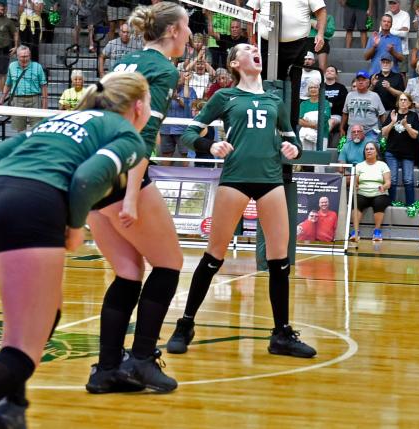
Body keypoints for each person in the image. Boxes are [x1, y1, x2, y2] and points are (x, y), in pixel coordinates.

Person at [0, 71, 151, 429]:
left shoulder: (60, 118)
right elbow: (85, 178)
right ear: (139, 106)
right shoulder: (126, 133)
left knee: (47, 314)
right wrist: (75, 225)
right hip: (30, 209)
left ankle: (11, 405)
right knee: (21, 352)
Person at [165, 43, 315, 359]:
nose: (255, 51)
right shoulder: (225, 97)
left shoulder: (275, 99)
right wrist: (210, 146)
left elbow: (293, 140)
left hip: (271, 180)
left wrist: (294, 150)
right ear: (235, 62)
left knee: (280, 262)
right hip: (234, 178)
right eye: (248, 49)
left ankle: (281, 334)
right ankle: (185, 323)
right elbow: (189, 135)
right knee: (214, 256)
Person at [85, 1, 191, 396]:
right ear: (172, 32)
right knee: (169, 264)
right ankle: (143, 360)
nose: (190, 35)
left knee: (129, 272)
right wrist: (131, 196)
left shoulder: (125, 62)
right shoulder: (163, 70)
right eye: (187, 27)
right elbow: (141, 138)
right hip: (120, 173)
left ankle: (107, 370)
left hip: (91, 172)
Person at [245, 0, 326, 123]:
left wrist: (320, 34)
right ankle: (262, 123)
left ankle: (290, 129)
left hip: (297, 46)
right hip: (267, 44)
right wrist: (251, 39)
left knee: (292, 89)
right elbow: (250, 12)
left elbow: (321, 11)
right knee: (263, 85)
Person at [382, 92, 419, 205]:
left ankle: (410, 206)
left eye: (405, 100)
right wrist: (393, 122)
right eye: (401, 100)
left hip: (408, 153)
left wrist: (406, 125)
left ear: (409, 103)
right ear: (398, 102)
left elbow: (415, 135)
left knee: (408, 180)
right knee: (392, 180)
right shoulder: (392, 114)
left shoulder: (413, 116)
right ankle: (390, 205)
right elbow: (384, 133)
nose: (403, 102)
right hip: (392, 152)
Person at [0, 46, 48, 132]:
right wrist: (2, 99)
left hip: (35, 99)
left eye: (26, 56)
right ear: (17, 56)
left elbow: (44, 86)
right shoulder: (12, 66)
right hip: (17, 99)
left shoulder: (38, 67)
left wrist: (44, 106)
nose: (24, 59)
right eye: (22, 57)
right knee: (19, 129)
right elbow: (8, 84)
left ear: (30, 56)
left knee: (37, 128)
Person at [350, 141, 390, 242]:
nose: (369, 151)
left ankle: (377, 231)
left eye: (371, 149)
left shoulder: (383, 165)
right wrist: (356, 186)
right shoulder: (359, 166)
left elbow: (388, 183)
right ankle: (355, 231)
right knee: (356, 202)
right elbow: (355, 182)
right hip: (363, 193)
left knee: (379, 202)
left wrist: (383, 187)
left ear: (376, 152)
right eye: (367, 149)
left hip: (379, 193)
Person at [160, 70, 196, 164]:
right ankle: (164, 178)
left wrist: (177, 98)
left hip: (182, 129)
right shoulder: (165, 90)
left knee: (185, 155)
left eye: (179, 78)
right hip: (166, 128)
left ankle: (186, 178)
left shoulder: (190, 90)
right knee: (166, 154)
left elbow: (188, 106)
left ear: (184, 79)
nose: (176, 80)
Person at [341, 70, 386, 141]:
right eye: (358, 80)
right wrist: (341, 128)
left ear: (368, 82)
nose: (360, 82)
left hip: (370, 131)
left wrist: (384, 130)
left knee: (371, 150)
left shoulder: (375, 96)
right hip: (353, 131)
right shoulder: (350, 95)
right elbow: (345, 113)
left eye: (363, 80)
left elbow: (382, 115)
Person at [299, 78, 331, 151]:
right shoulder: (303, 104)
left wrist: (307, 122)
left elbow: (325, 118)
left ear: (320, 89)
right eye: (311, 87)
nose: (313, 89)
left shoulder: (325, 103)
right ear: (308, 90)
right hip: (306, 136)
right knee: (307, 158)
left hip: (322, 134)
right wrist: (313, 125)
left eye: (315, 87)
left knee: (320, 159)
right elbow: (299, 120)